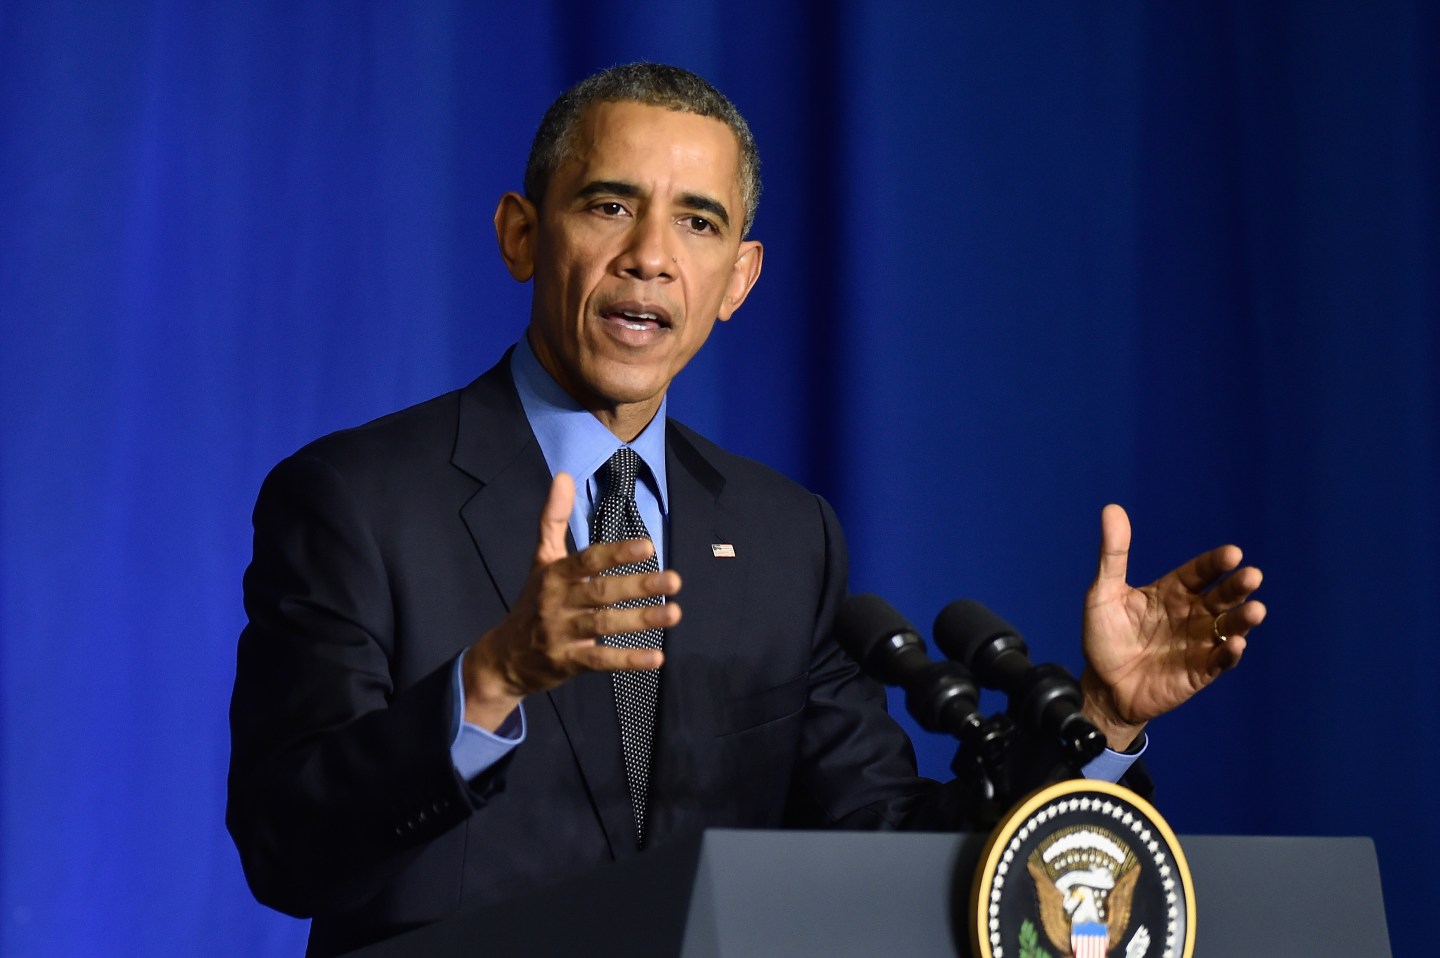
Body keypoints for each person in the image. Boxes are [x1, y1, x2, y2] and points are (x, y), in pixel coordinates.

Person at [226, 63, 1265, 956]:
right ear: (520, 233)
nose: (650, 254)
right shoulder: (352, 499)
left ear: (737, 280)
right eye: (607, 204)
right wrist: (492, 679)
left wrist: (1102, 721)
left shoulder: (782, 536)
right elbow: (286, 846)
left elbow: (894, 856)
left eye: (698, 221)